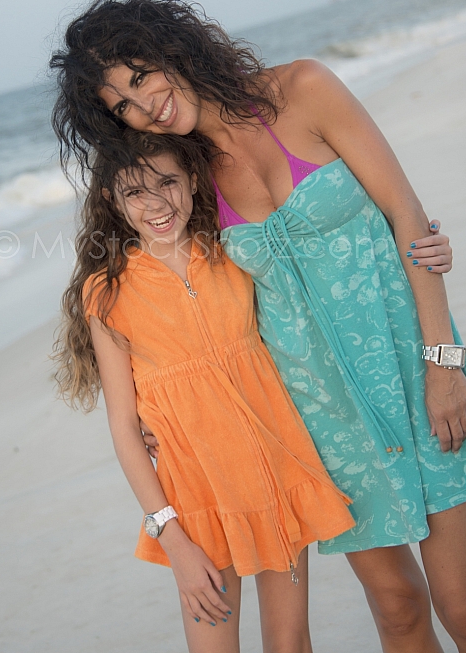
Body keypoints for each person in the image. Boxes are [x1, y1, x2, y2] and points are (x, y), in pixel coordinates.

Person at [50, 0, 466, 653]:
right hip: (317, 414)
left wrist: (442, 360)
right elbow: (176, 299)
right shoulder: (186, 179)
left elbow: (406, 215)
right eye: (124, 106)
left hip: (415, 364)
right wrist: (151, 412)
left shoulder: (303, 88)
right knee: (395, 608)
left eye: (140, 76)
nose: (145, 104)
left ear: (172, 45)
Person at [57, 129, 356, 653]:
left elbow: (316, 275)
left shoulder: (232, 248)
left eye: (167, 182)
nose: (156, 203)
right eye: (134, 192)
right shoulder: (107, 292)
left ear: (194, 179)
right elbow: (124, 425)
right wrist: (170, 535)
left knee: (290, 643)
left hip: (275, 475)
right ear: (112, 201)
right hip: (194, 503)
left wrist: (416, 236)